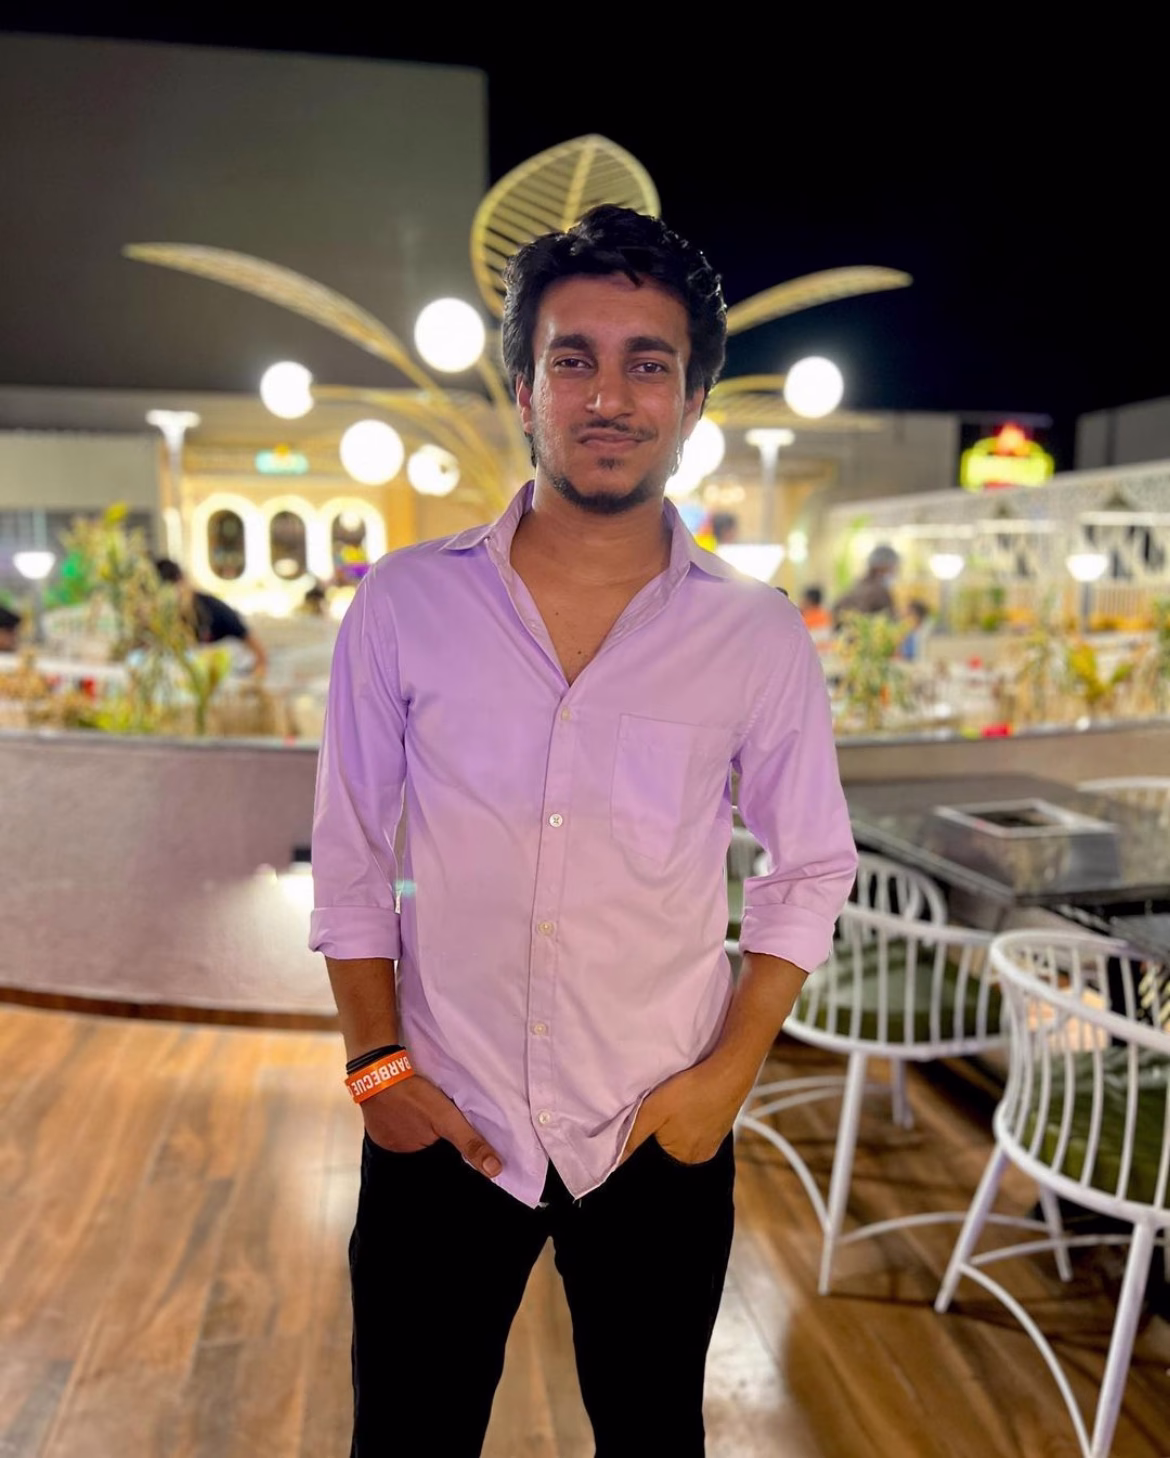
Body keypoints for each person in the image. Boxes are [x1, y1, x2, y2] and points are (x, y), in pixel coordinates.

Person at [309, 203, 857, 1458]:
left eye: (647, 363)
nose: (609, 396)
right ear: (524, 389)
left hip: (658, 1124)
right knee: (406, 1436)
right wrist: (377, 1070)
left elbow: (811, 863)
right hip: (444, 1117)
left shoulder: (756, 633)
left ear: (694, 401)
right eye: (574, 360)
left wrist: (725, 1083)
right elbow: (350, 853)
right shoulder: (404, 605)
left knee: (655, 1438)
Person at [154, 558, 268, 675]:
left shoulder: (213, 609)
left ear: (184, 582)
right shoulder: (160, 618)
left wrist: (257, 674)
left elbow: (256, 649)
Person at [832, 543, 901, 626]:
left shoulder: (857, 585)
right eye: (892, 568)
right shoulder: (879, 591)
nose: (894, 572)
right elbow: (890, 621)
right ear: (882, 567)